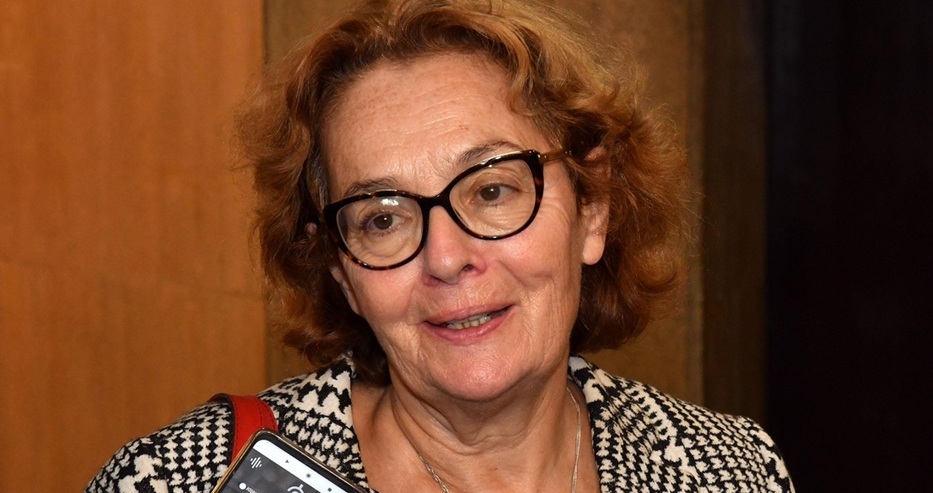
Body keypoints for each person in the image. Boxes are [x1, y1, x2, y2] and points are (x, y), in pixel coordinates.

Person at [88, 0, 794, 491]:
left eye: (491, 190)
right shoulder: (177, 480)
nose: (448, 257)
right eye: (382, 218)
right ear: (340, 270)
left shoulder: (727, 470)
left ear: (592, 207)